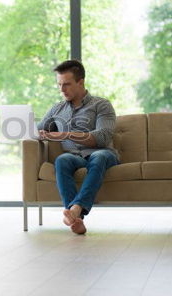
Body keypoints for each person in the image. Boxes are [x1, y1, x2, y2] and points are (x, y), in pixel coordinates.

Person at [37, 60, 119, 235]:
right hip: (74, 157)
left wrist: (66, 134)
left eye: (66, 84)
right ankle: (77, 218)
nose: (62, 90)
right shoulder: (57, 109)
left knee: (99, 157)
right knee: (62, 160)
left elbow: (102, 137)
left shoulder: (101, 105)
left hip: (102, 154)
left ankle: (75, 209)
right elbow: (39, 129)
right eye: (59, 85)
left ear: (81, 82)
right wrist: (41, 133)